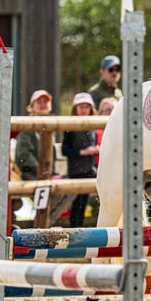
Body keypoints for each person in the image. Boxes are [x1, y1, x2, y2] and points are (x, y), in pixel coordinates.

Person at [62, 93, 99, 227]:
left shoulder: (93, 125)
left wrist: (96, 149)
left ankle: (80, 228)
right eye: (81, 107)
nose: (84, 110)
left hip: (89, 169)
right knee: (76, 204)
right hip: (76, 170)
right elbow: (65, 150)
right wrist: (82, 152)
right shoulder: (70, 127)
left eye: (86, 107)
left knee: (83, 204)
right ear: (75, 109)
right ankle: (74, 228)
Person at [95, 97, 118, 168]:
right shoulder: (95, 132)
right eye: (107, 110)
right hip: (100, 168)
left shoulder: (120, 131)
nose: (110, 113)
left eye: (114, 110)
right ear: (100, 112)